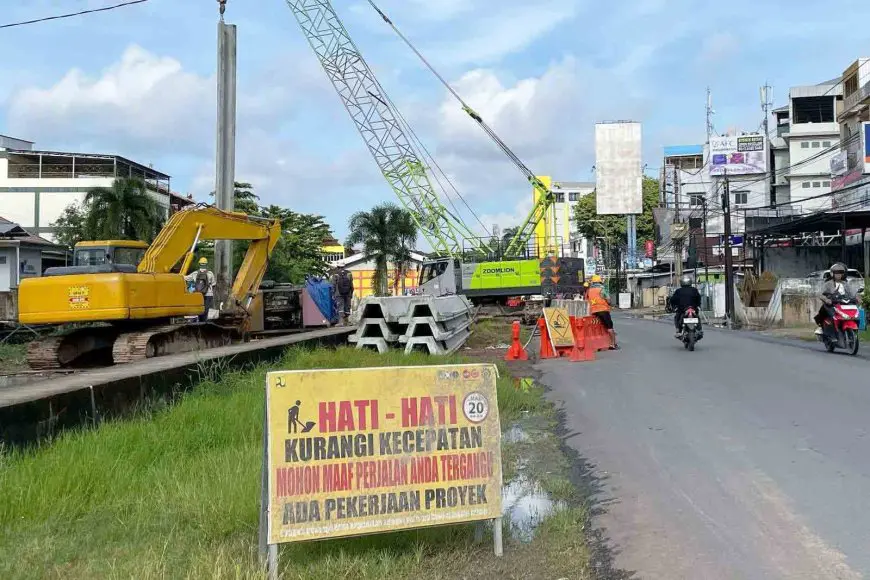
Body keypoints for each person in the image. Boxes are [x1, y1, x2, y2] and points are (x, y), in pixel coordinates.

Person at [814, 262, 854, 335]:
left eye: (841, 273)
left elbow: (852, 293)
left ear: (843, 274)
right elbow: (820, 294)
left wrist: (857, 297)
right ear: (832, 274)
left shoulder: (846, 284)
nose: (838, 275)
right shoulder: (828, 283)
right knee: (824, 311)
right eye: (836, 273)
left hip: (843, 304)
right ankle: (821, 327)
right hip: (832, 304)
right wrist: (826, 300)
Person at [586, 274, 618, 350]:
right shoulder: (602, 289)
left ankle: (598, 345)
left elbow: (587, 300)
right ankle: (613, 344)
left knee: (598, 328)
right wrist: (610, 304)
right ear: (600, 281)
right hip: (603, 310)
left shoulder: (589, 290)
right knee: (609, 327)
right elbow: (608, 300)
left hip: (593, 311)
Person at [185, 257, 216, 322]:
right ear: (206, 264)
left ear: (199, 264)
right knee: (206, 310)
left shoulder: (195, 273)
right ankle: (204, 322)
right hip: (208, 294)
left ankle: (200, 322)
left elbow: (185, 278)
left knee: (200, 309)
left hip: (199, 294)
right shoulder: (210, 273)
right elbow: (213, 284)